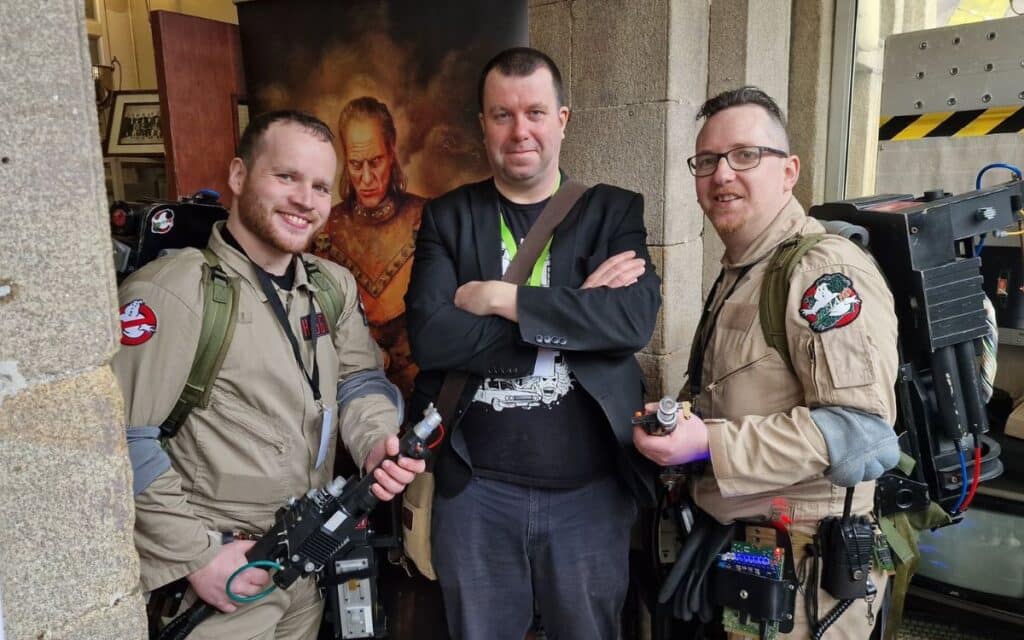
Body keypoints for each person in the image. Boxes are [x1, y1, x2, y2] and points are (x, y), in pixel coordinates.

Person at [114, 110, 425, 640]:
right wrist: (196, 558)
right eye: (286, 177)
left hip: (301, 569)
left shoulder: (334, 287)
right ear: (238, 176)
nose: (306, 199)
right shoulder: (170, 294)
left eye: (321, 186)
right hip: (219, 577)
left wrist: (375, 439)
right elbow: (122, 441)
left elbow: (359, 380)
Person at [404, 47, 661, 640]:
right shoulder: (449, 217)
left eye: (536, 113)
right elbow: (433, 338)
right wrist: (575, 312)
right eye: (502, 115)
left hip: (590, 497)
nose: (520, 131)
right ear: (483, 125)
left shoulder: (612, 211)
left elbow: (629, 321)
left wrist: (500, 299)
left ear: (562, 119)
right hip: (476, 494)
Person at [633, 86, 900, 639]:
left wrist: (707, 444)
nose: (722, 174)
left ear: (789, 171)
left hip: (805, 583)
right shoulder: (744, 269)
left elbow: (862, 437)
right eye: (707, 161)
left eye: (746, 155)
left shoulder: (823, 275)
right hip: (742, 563)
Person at [313, 97, 426, 397]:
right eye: (355, 164)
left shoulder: (426, 218)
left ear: (391, 151)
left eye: (375, 162)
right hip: (347, 390)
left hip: (425, 388)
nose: (366, 178)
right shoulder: (323, 228)